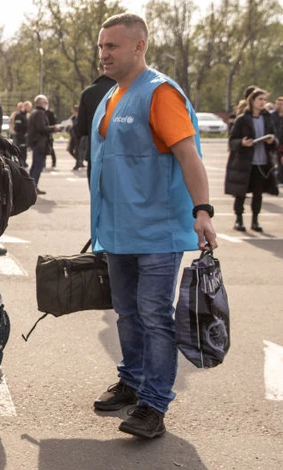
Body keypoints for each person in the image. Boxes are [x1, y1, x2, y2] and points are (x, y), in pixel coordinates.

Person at [90, 13, 218, 439]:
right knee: (127, 313)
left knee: (155, 316)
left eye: (112, 46)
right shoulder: (112, 95)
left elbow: (189, 155)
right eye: (101, 46)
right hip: (119, 231)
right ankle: (132, 379)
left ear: (139, 46)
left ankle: (154, 402)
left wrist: (203, 210)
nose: (103, 53)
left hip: (157, 232)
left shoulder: (159, 92)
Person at [225, 88, 279, 232]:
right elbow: (232, 141)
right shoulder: (242, 119)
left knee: (258, 193)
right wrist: (242, 143)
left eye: (264, 100)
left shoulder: (267, 118)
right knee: (240, 193)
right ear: (252, 100)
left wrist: (271, 141)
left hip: (262, 163)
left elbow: (275, 139)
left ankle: (255, 221)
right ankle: (239, 220)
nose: (263, 102)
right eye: (260, 99)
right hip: (244, 162)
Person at [77, 63, 117, 182]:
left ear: (99, 69)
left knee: (97, 193)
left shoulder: (88, 93)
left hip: (96, 150)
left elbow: (81, 128)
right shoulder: (125, 89)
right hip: (119, 153)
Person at [27, 94, 59, 194]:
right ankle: (33, 187)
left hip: (36, 142)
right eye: (46, 102)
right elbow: (41, 128)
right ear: (41, 103)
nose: (47, 104)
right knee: (38, 165)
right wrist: (53, 128)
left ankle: (31, 186)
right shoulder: (40, 113)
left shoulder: (34, 112)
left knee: (35, 165)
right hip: (40, 143)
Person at [10, 101, 29, 167]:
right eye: (19, 107)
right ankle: (17, 162)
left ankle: (22, 162)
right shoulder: (15, 114)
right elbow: (15, 124)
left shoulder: (26, 115)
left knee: (23, 149)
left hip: (23, 134)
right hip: (16, 133)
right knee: (16, 148)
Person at [68, 105, 82, 169]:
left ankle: (78, 164)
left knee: (77, 150)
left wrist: (73, 125)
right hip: (73, 136)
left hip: (78, 136)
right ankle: (79, 161)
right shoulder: (72, 118)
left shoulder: (80, 117)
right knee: (70, 150)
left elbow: (79, 126)